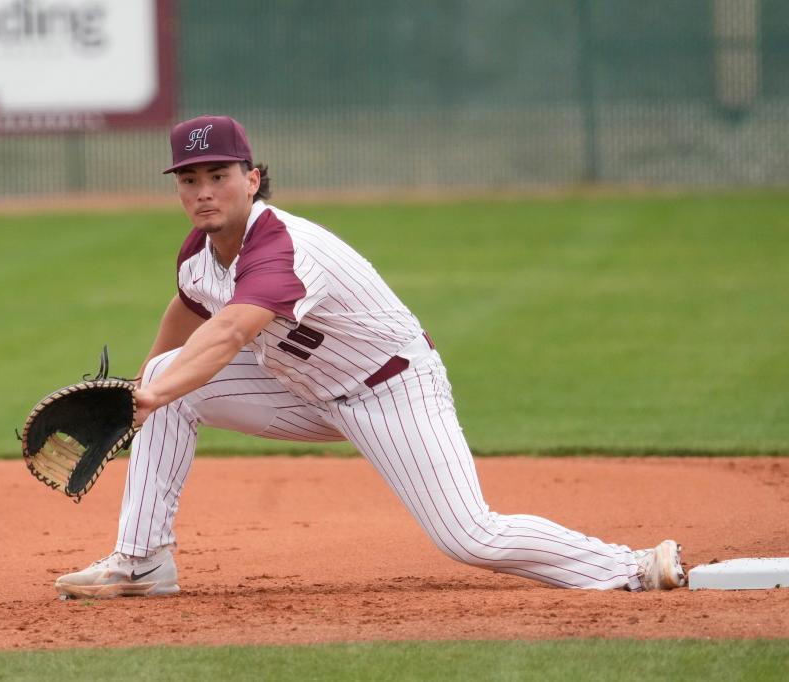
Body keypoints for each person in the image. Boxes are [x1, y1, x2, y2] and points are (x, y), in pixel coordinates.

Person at [54, 115, 686, 599]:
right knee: (167, 376)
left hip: (390, 390)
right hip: (303, 389)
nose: (203, 192)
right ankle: (142, 562)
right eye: (189, 180)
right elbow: (191, 307)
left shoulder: (284, 249)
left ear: (252, 178)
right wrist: (143, 386)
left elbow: (225, 337)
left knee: (470, 536)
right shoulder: (199, 249)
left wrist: (143, 402)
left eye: (218, 176)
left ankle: (631, 567)